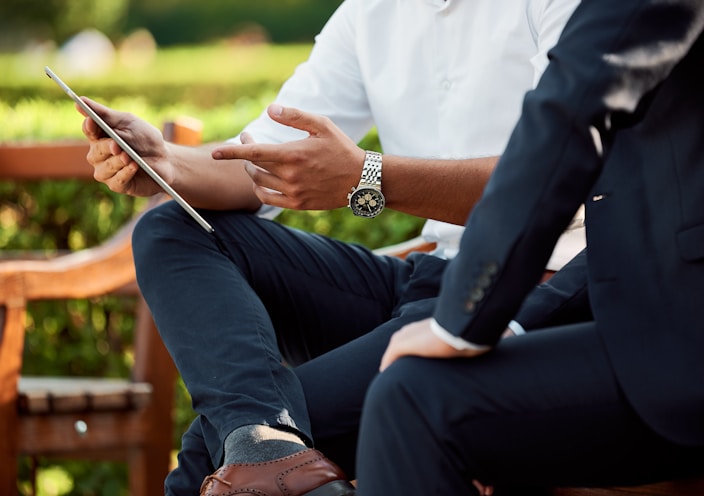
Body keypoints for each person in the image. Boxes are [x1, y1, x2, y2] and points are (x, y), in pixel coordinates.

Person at [79, 0, 582, 494]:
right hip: (428, 277)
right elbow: (263, 160)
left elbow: (556, 178)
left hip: (532, 291)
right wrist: (165, 162)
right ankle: (265, 441)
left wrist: (369, 177)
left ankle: (262, 445)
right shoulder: (369, 12)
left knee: (208, 457)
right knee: (172, 229)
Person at [354, 0, 704, 494]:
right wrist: (511, 321)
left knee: (413, 398)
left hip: (680, 346)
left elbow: (568, 113)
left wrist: (461, 322)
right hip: (650, 324)